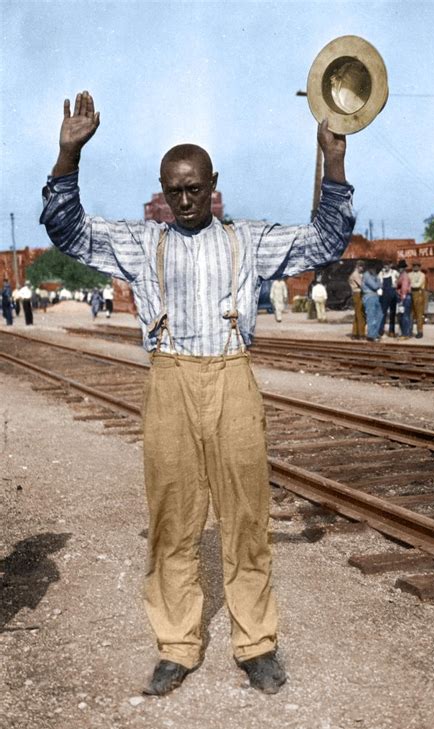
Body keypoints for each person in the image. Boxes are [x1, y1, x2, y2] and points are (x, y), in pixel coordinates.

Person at [40, 90, 355, 696]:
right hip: (170, 381)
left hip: (232, 375)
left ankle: (256, 643)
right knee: (173, 520)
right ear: (162, 190)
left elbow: (325, 241)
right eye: (173, 190)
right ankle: (178, 645)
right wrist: (67, 156)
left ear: (214, 184)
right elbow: (67, 229)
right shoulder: (143, 242)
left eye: (194, 188)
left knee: (245, 517)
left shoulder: (249, 239)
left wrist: (334, 163)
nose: (184, 201)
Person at [361, 264, 383, 341]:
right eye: (372, 267)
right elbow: (375, 286)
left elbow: (380, 284)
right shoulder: (366, 275)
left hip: (375, 296)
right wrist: (379, 282)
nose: (374, 269)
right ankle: (371, 335)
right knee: (371, 316)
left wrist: (378, 282)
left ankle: (375, 333)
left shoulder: (374, 275)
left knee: (379, 315)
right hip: (369, 296)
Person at [378, 261, 398, 337]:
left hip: (393, 294)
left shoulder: (394, 272)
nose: (386, 266)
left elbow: (400, 281)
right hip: (384, 295)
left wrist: (396, 285)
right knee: (383, 313)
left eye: (387, 265)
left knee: (392, 313)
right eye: (384, 265)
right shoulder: (381, 273)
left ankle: (391, 331)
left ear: (390, 265)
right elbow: (378, 282)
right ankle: (381, 330)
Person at [408, 262, 426, 338]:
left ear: (419, 267)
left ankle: (420, 331)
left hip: (418, 293)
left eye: (417, 266)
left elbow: (417, 285)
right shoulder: (409, 274)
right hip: (410, 293)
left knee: (419, 313)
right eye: (414, 265)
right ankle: (409, 330)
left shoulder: (422, 275)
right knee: (410, 313)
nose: (415, 267)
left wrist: (410, 284)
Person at [348, 260, 365, 339]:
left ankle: (355, 333)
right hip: (358, 294)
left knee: (357, 314)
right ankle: (361, 334)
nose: (363, 269)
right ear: (359, 266)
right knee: (360, 314)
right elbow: (362, 285)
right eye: (362, 267)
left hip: (355, 294)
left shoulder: (354, 274)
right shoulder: (356, 274)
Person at [396, 260, 412, 339]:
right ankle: (406, 333)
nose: (399, 269)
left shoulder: (404, 276)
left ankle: (405, 334)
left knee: (404, 316)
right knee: (404, 315)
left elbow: (404, 288)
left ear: (404, 268)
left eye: (401, 267)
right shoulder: (401, 275)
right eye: (399, 267)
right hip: (404, 297)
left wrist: (402, 299)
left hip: (404, 297)